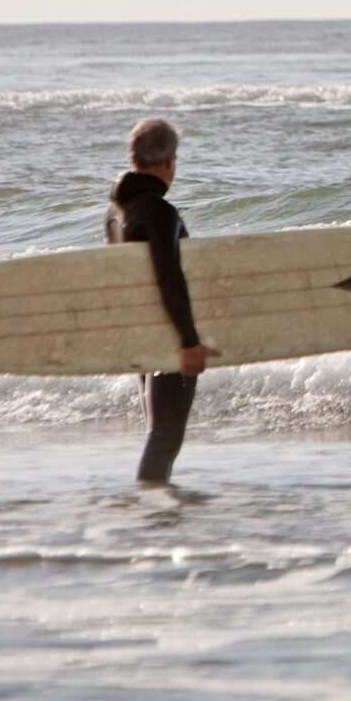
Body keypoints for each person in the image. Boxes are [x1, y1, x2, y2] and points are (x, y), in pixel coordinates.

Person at [108, 117, 215, 484]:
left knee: (159, 432)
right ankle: (154, 514)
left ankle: (152, 507)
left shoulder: (116, 213)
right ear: (170, 161)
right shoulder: (159, 212)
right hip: (169, 332)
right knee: (166, 434)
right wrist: (188, 341)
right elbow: (169, 276)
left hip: (142, 331)